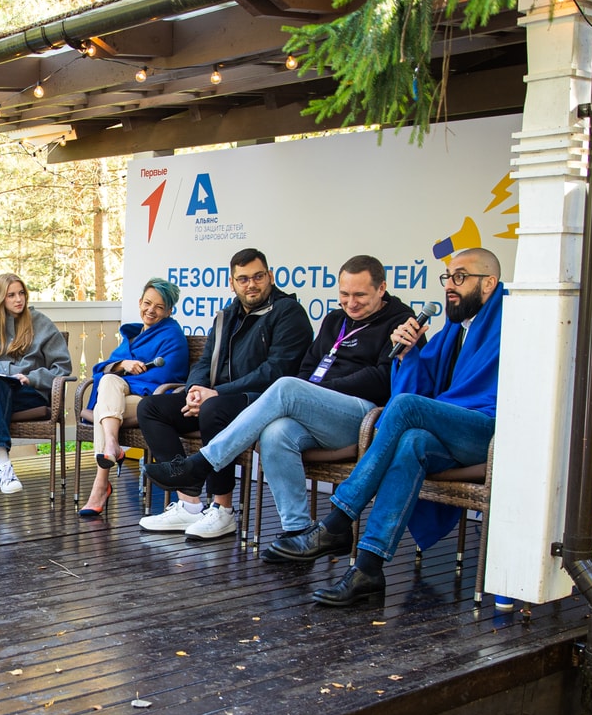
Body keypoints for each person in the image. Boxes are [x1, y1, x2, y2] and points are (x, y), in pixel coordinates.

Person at [280, 248, 505, 607]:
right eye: (448, 277)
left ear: (489, 283)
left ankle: (338, 520)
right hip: (449, 430)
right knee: (412, 442)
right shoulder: (456, 326)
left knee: (404, 407)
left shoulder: (511, 320)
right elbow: (425, 386)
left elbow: (425, 400)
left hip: (489, 432)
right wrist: (408, 352)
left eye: (460, 277)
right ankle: (368, 568)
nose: (450, 285)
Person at [145, 255, 415, 543]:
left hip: (362, 415)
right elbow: (307, 368)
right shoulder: (336, 319)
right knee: (275, 433)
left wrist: (319, 391)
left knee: (284, 387)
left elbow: (382, 378)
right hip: (317, 413)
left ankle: (201, 464)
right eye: (344, 294)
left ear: (381, 288)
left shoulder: (401, 323)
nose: (351, 303)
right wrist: (197, 387)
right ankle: (297, 531)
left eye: (359, 295)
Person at [136, 249, 312, 541]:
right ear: (232, 283)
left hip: (261, 401)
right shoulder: (226, 316)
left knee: (213, 410)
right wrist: (195, 390)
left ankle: (223, 509)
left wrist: (215, 393)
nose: (251, 284)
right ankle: (189, 504)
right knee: (151, 408)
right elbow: (205, 362)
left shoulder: (288, 312)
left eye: (257, 277)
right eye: (243, 279)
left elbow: (277, 371)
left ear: (270, 276)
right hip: (217, 397)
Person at [0, 273, 73, 507]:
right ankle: (3, 464)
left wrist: (31, 377)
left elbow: (62, 367)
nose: (18, 299)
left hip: (29, 394)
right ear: (0, 299)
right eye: (11, 295)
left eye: (21, 293)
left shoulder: (41, 323)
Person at [78, 278, 189, 517]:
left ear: (169, 311)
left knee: (104, 408)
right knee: (109, 381)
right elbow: (104, 368)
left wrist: (127, 378)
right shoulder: (135, 335)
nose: (151, 310)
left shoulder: (172, 336)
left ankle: (101, 484)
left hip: (152, 400)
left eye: (159, 307)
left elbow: (167, 375)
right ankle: (111, 445)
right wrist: (123, 364)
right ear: (139, 302)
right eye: (147, 303)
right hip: (124, 397)